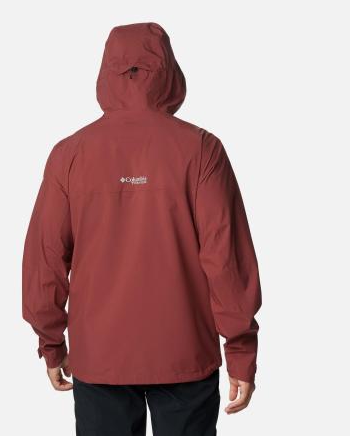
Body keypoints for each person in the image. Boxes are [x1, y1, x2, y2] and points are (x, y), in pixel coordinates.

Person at [22, 22, 262, 436]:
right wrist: (240, 350)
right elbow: (226, 259)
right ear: (169, 71)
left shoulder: (69, 154)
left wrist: (51, 343)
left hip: (101, 356)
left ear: (106, 73)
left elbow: (45, 260)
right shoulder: (201, 149)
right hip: (184, 352)